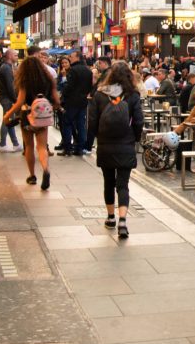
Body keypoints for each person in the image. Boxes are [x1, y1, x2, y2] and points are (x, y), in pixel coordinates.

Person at [87, 61, 144, 239]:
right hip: (125, 143)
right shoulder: (133, 95)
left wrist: (98, 136)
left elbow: (92, 121)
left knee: (108, 181)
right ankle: (123, 221)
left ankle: (110, 217)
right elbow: (139, 121)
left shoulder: (100, 94)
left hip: (105, 144)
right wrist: (134, 137)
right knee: (123, 184)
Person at [2, 53, 61, 189]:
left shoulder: (25, 80)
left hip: (27, 115)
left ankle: (32, 176)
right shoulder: (48, 79)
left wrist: (7, 115)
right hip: (42, 116)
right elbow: (56, 100)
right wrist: (51, 107)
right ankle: (45, 169)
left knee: (29, 146)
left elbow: (20, 101)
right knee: (41, 146)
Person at [59, 50, 93, 156]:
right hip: (83, 101)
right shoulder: (88, 71)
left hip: (72, 101)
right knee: (81, 125)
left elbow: (69, 86)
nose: (70, 58)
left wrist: (63, 91)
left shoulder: (73, 70)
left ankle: (68, 148)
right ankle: (80, 148)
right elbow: (90, 87)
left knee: (67, 123)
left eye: (72, 56)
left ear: (78, 57)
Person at [0, 49, 21, 153]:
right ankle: (3, 144)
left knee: (9, 120)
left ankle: (15, 144)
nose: (17, 56)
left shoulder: (7, 67)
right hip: (7, 98)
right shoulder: (6, 68)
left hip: (6, 97)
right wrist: (15, 99)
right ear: (10, 56)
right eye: (15, 55)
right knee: (6, 120)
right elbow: (10, 86)